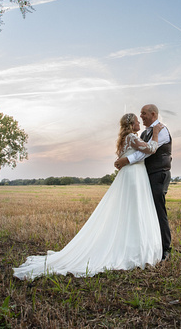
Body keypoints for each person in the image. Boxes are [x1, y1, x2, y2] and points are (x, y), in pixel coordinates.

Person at [13, 113, 164, 280]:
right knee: (134, 209)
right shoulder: (131, 137)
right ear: (130, 124)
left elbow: (124, 157)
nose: (139, 123)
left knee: (129, 210)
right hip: (134, 176)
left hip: (131, 174)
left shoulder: (125, 138)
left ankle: (132, 245)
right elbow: (150, 149)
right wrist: (156, 132)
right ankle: (134, 248)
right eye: (136, 120)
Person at [115, 104, 172, 261]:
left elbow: (145, 154)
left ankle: (165, 248)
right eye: (139, 115)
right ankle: (148, 244)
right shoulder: (145, 133)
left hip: (158, 174)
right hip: (146, 175)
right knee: (145, 209)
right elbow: (140, 149)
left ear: (153, 114)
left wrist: (127, 160)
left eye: (144, 114)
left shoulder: (161, 130)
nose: (141, 117)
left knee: (158, 210)